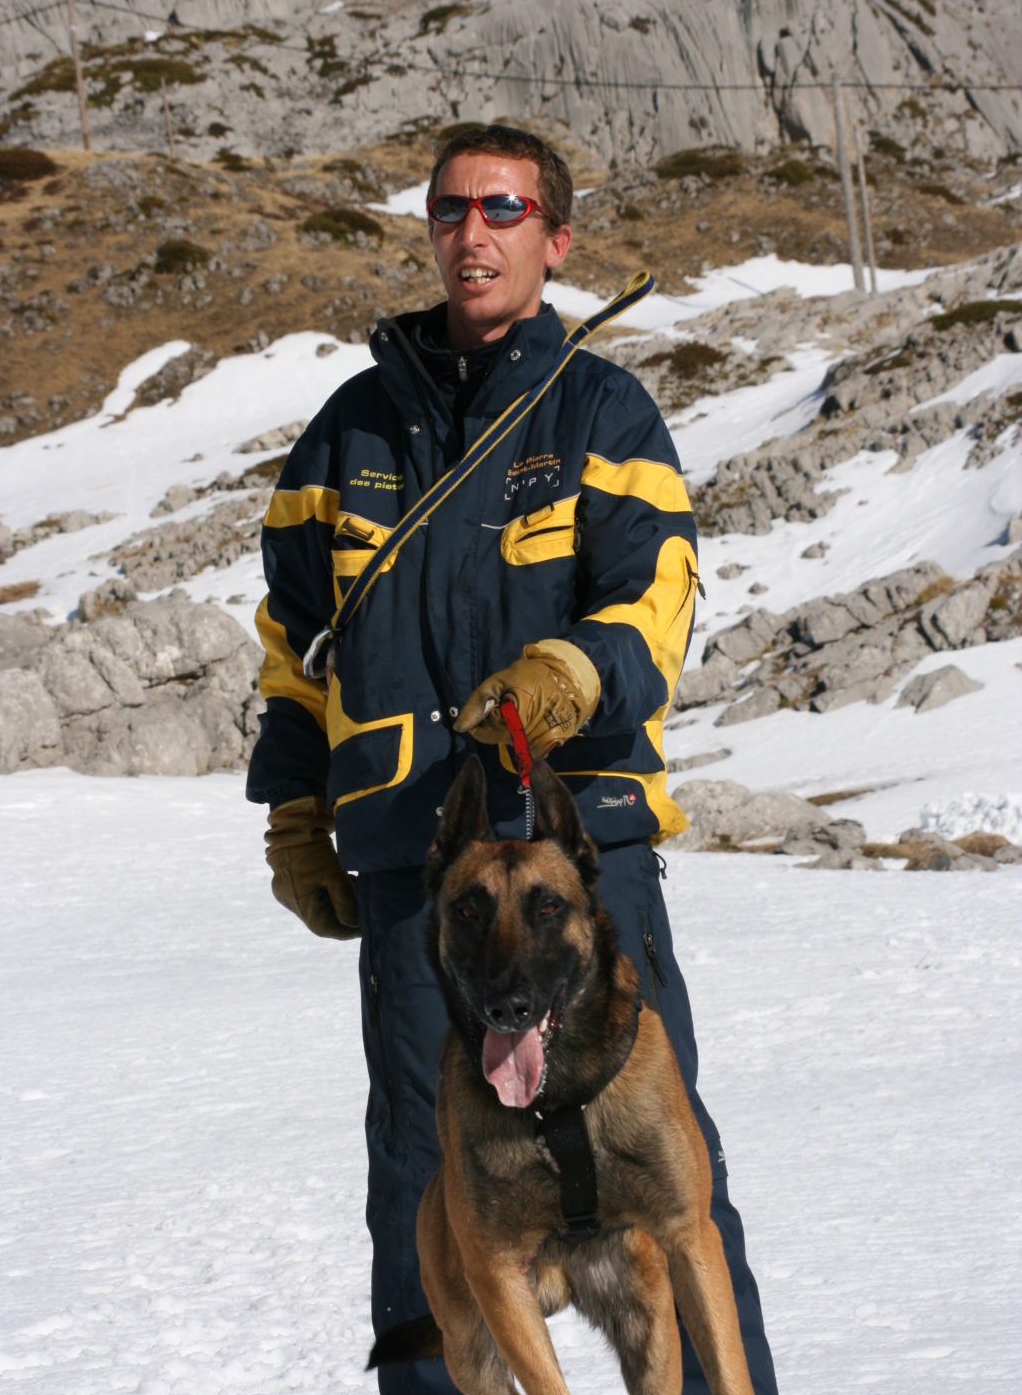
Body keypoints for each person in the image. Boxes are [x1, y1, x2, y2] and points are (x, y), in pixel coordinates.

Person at [247, 123, 778, 1395]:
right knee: (424, 1191)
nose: (470, 233)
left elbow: (654, 594)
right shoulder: (349, 432)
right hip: (418, 881)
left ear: (556, 238)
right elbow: (291, 642)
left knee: (668, 1185)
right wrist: (294, 814)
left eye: (502, 209)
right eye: (449, 209)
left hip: (578, 866)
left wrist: (571, 674)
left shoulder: (601, 410)